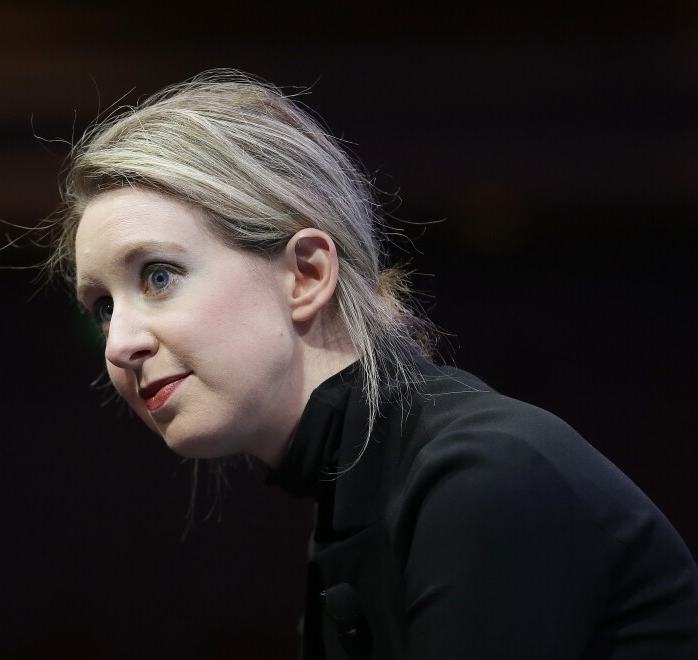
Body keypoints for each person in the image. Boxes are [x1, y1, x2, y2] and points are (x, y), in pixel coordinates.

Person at [47, 70, 698, 658]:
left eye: (158, 276)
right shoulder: (362, 495)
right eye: (102, 307)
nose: (118, 343)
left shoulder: (482, 476)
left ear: (306, 274)